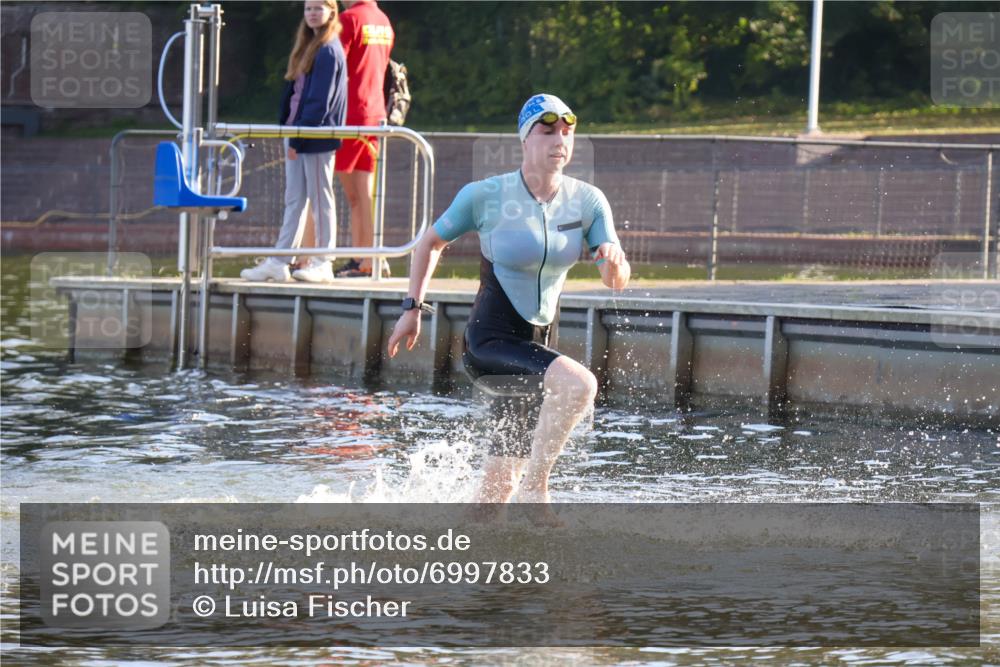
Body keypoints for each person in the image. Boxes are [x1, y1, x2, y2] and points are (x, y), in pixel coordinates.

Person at [387, 94, 631, 510]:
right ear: (525, 139)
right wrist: (412, 309)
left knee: (495, 494)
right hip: (491, 344)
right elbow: (430, 243)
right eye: (548, 131)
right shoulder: (486, 195)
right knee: (580, 384)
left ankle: (465, 540)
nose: (560, 141)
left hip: (537, 352)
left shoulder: (588, 201)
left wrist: (614, 263)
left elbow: (615, 280)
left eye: (567, 132)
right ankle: (537, 490)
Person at [241, 0, 347, 283]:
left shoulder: (328, 49)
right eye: (308, 8)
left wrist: (298, 139)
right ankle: (279, 260)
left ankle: (324, 261)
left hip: (315, 137)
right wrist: (289, 132)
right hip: (296, 133)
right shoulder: (308, 45)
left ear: (331, 11)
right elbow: (295, 94)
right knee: (295, 199)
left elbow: (319, 102)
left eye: (318, 8)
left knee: (320, 198)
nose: (312, 13)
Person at [332, 0, 394, 278]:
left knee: (323, 189)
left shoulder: (349, 19)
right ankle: (366, 258)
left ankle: (308, 258)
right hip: (374, 114)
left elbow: (334, 68)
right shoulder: (383, 20)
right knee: (360, 194)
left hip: (349, 115)